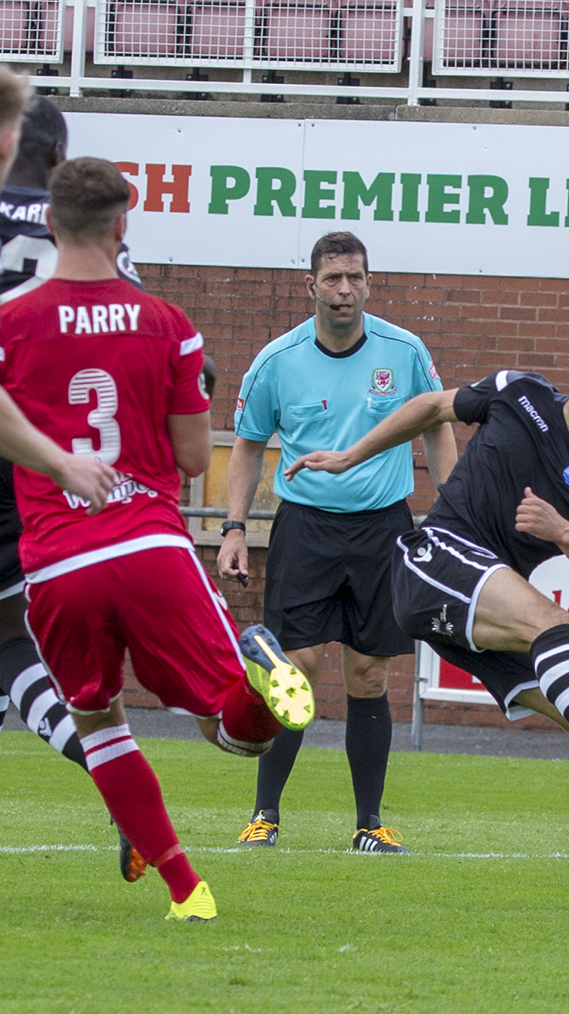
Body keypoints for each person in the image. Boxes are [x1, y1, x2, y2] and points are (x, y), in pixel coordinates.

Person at [0, 155, 316, 919]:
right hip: (148, 544)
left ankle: (186, 889)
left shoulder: (7, 323)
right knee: (238, 734)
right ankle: (261, 668)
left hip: (58, 559)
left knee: (98, 715)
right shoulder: (167, 324)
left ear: (48, 222)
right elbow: (194, 457)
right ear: (122, 224)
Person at [285, 327, 569, 916]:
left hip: (479, 605)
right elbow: (433, 407)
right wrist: (353, 456)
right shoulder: (517, 392)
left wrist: (562, 531)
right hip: (433, 563)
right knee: (550, 620)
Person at [0, 96, 155, 840]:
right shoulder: (84, 231)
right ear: (58, 159)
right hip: (62, 456)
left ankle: (109, 773)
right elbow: (137, 321)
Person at [217, 231, 454, 854]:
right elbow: (246, 445)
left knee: (369, 674)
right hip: (305, 529)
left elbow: (438, 425)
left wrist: (452, 516)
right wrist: (236, 528)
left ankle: (368, 826)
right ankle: (265, 816)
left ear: (368, 283)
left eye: (354, 278)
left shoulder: (404, 351)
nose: (344, 290)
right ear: (311, 285)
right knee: (296, 671)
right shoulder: (278, 359)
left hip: (383, 528)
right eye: (332, 279)